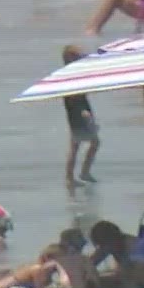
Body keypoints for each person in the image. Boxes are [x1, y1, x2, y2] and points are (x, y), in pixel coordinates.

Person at [59, 45, 99, 184]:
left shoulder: (73, 73)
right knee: (91, 143)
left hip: (79, 110)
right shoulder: (69, 75)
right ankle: (80, 174)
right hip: (78, 112)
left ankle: (74, 176)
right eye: (76, 56)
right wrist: (84, 113)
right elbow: (72, 98)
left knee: (77, 146)